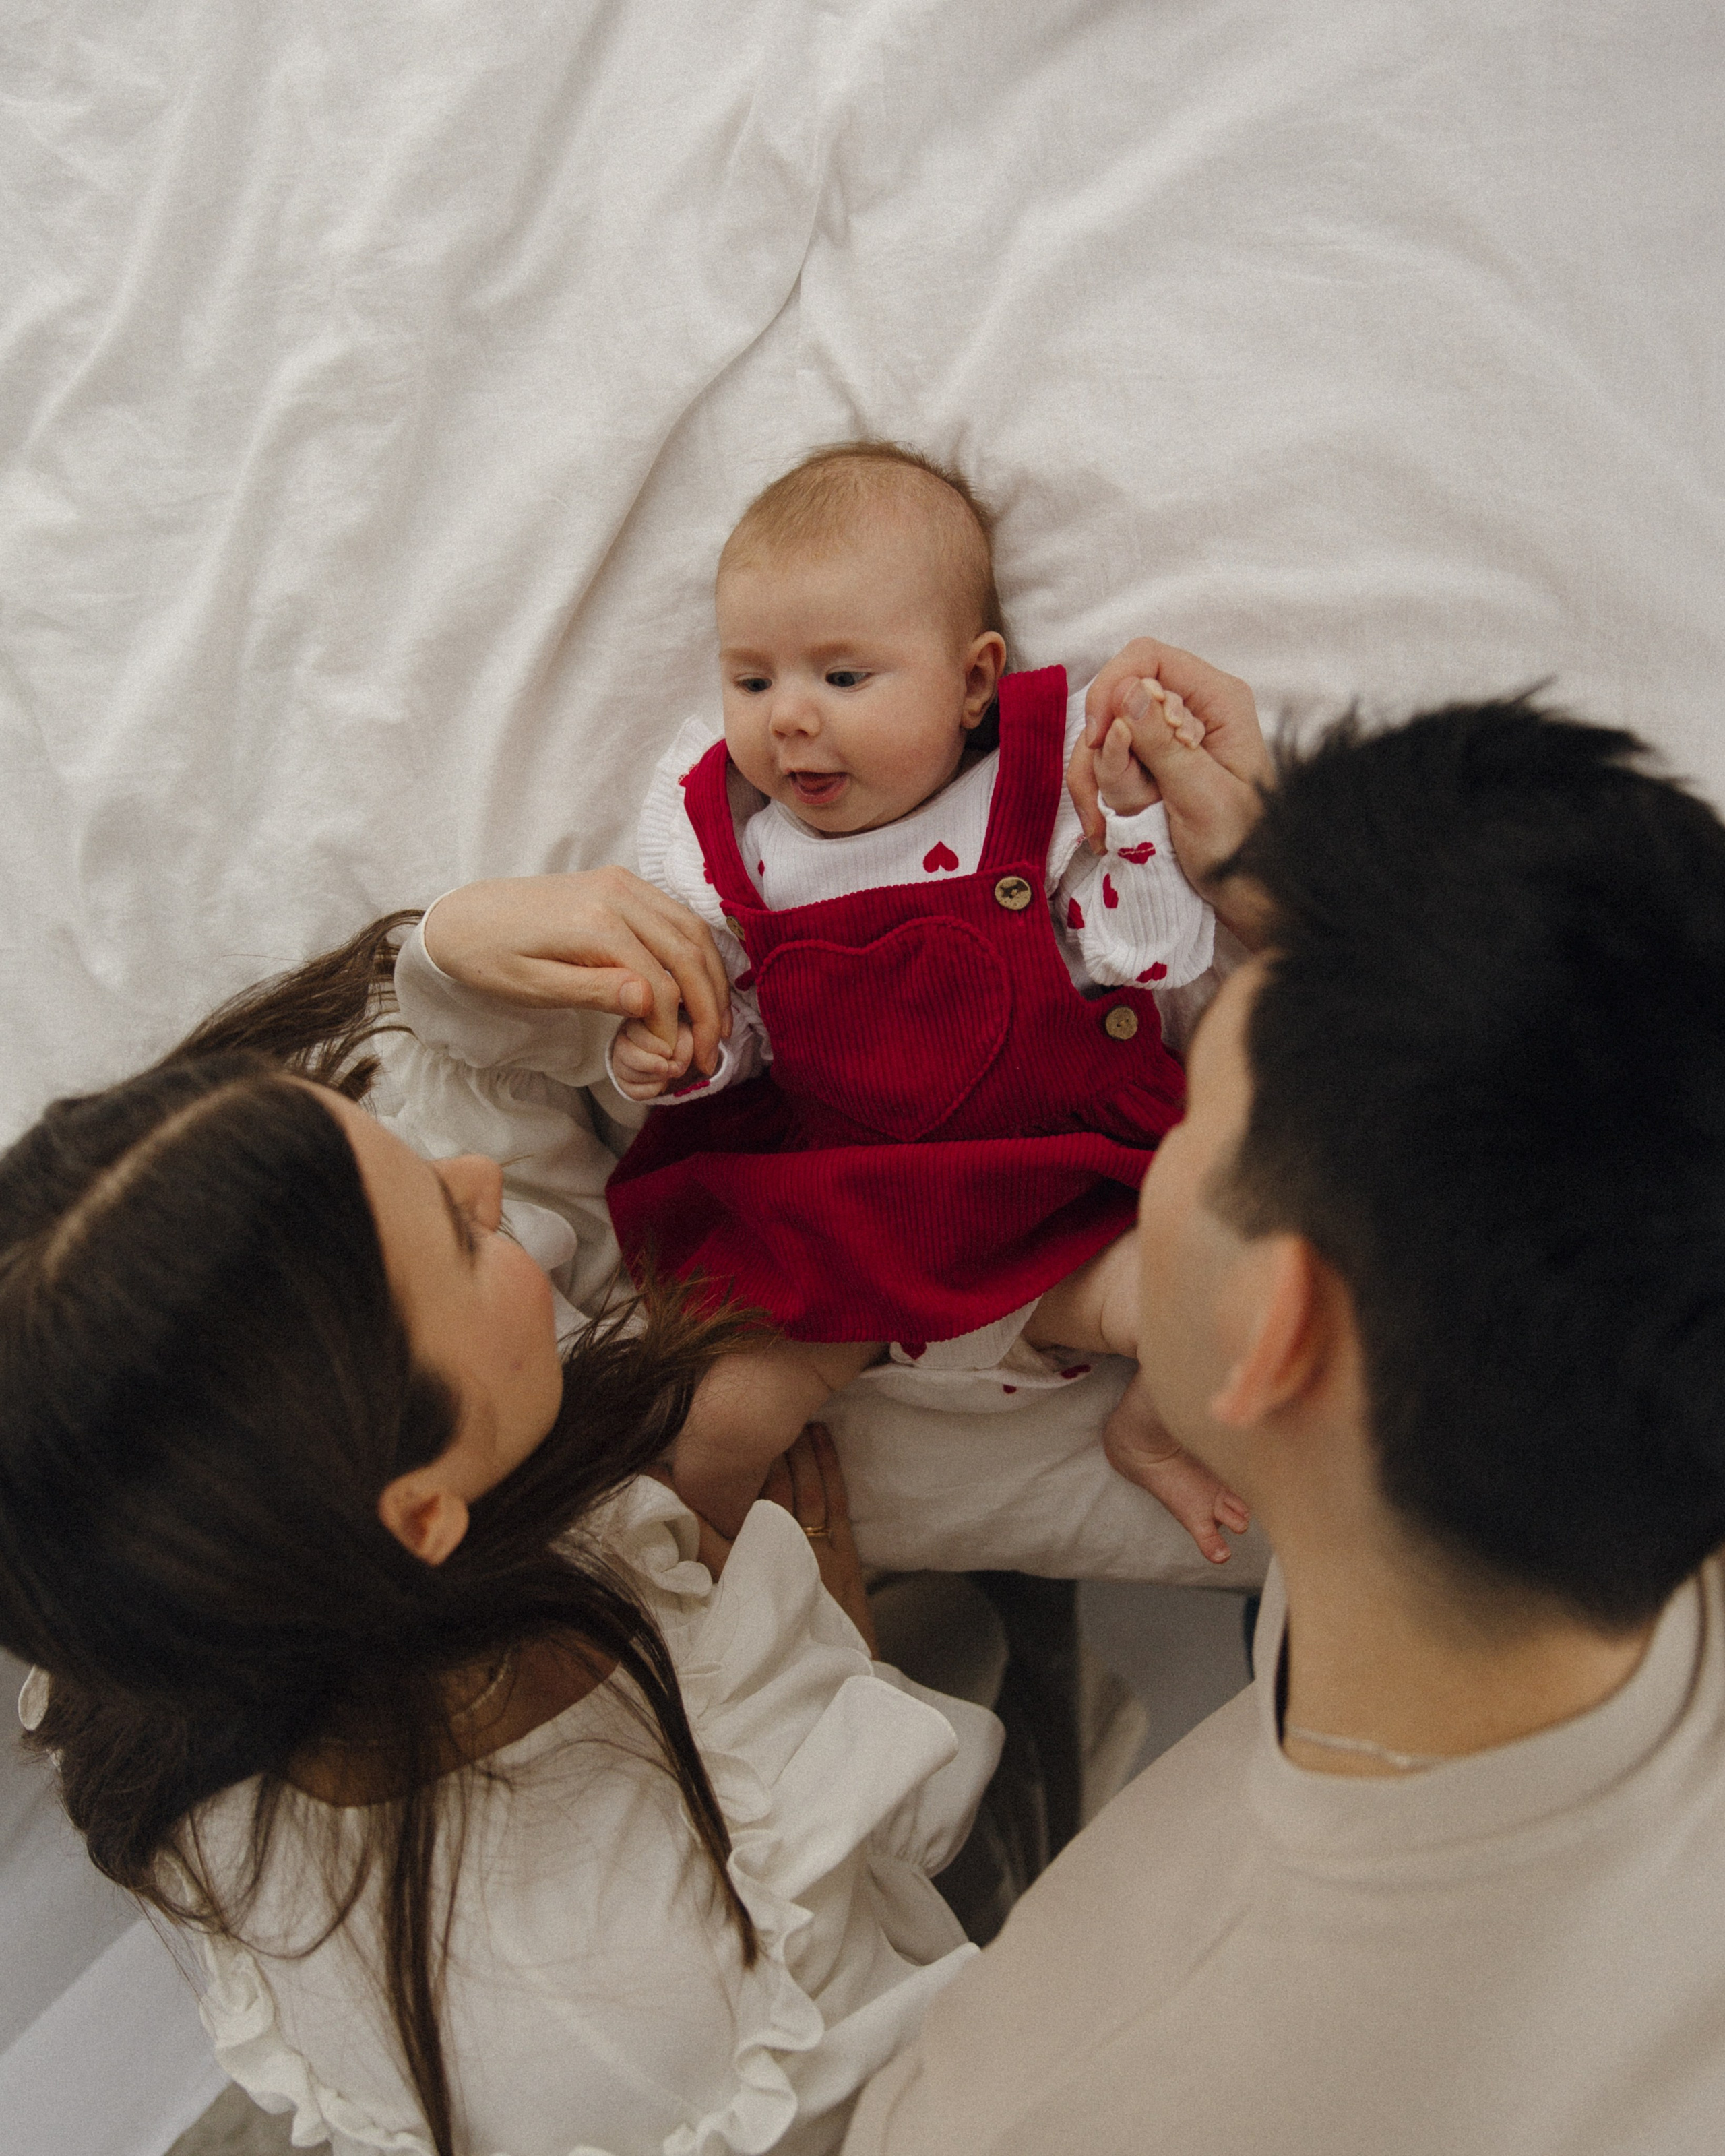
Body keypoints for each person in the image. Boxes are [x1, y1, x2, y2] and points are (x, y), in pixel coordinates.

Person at [842, 662, 1725, 2155]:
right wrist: (1320, 921)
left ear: (1275, 1334)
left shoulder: (1054, 2100)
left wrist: (814, 1703)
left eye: (1203, 1114)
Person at [0, 913, 1007, 2156]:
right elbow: (918, 1847)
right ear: (423, 1511)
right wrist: (837, 1655)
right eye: (463, 1235)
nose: (479, 1179)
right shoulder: (718, 1816)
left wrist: (449, 949)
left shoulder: (144, 1611)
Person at [515, 442, 1249, 1559]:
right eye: (753, 681)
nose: (791, 719)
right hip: (838, 1235)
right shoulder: (740, 860)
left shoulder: (1037, 804)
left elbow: (1147, 960)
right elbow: (749, 1032)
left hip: (1056, 1206)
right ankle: (708, 1589)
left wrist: (1138, 827)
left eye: (844, 678)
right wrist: (689, 1056)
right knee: (712, 1419)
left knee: (1213, 1304)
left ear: (972, 681)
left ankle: (1146, 1435)